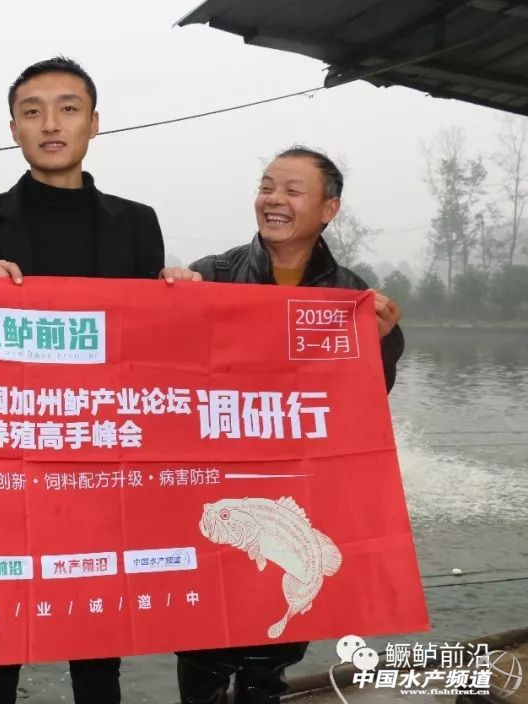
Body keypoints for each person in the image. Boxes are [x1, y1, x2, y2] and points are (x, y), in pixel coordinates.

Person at [0, 55, 169, 704]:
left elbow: (153, 355)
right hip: (1, 472)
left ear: (95, 122)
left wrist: (180, 297)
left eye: (68, 109)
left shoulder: (137, 223)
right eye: (32, 112)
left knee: (97, 654)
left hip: (101, 470)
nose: (51, 124)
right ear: (14, 129)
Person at [167, 146, 404, 704]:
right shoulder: (210, 275)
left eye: (293, 191)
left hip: (298, 496)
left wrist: (383, 343)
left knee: (268, 662)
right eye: (266, 186)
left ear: (329, 209)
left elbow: (365, 406)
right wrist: (168, 300)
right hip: (213, 488)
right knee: (200, 655)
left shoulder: (349, 295)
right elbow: (157, 379)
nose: (273, 199)